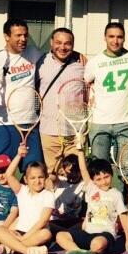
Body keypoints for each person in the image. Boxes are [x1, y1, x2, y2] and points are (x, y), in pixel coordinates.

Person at [0, 18, 44, 172]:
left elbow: (53, 58)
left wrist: (76, 55)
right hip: (3, 125)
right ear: (7, 36)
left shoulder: (34, 53)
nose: (23, 39)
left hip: (30, 124)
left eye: (26, 35)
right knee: (3, 174)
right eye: (18, 35)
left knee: (34, 173)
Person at [55, 150, 128, 254]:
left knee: (97, 245)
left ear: (111, 175)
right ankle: (79, 252)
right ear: (93, 180)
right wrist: (80, 153)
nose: (103, 181)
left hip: (105, 234)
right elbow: (83, 170)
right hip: (87, 232)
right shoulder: (91, 189)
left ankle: (88, 251)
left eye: (106, 177)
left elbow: (123, 217)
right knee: (60, 236)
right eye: (98, 179)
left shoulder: (116, 194)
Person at [86, 22, 128, 162]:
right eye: (111, 36)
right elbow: (86, 81)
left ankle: (122, 186)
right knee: (99, 168)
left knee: (127, 169)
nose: (115, 41)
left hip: (124, 122)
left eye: (119, 37)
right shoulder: (94, 62)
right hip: (99, 122)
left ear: (124, 38)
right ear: (104, 38)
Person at [35, 28, 84, 174]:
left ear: (73, 45)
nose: (62, 47)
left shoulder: (82, 64)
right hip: (48, 132)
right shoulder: (40, 63)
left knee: (75, 176)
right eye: (58, 42)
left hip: (74, 133)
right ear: (51, 42)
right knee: (52, 175)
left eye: (67, 43)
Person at [0, 145, 54, 254]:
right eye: (33, 178)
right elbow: (8, 174)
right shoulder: (22, 191)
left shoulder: (48, 195)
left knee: (46, 233)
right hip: (18, 232)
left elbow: (42, 222)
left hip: (36, 234)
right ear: (26, 179)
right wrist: (19, 155)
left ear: (46, 178)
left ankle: (10, 248)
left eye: (40, 177)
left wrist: (25, 237)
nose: (37, 181)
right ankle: (27, 250)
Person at [47, 154, 84, 232]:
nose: (69, 174)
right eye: (66, 171)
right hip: (53, 220)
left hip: (70, 222)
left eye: (72, 171)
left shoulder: (82, 184)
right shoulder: (61, 181)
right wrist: (59, 160)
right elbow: (52, 176)